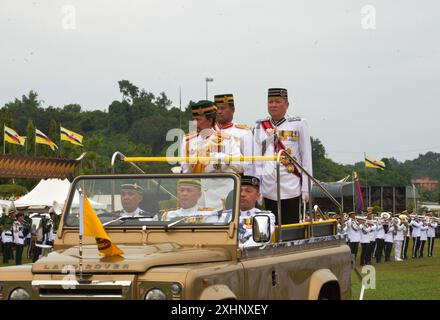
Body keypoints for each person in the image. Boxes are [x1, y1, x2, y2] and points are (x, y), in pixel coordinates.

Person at [253, 88, 312, 224]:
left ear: (287, 105)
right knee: (271, 230)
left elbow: (306, 157)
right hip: (268, 187)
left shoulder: (298, 123)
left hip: (291, 185)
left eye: (277, 101)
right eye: (270, 102)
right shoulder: (260, 125)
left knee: (290, 229)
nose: (273, 105)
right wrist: (257, 187)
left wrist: (306, 188)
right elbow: (257, 159)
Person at [179, 100, 243, 174]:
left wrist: (224, 158)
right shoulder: (187, 141)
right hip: (197, 184)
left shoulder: (226, 140)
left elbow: (241, 167)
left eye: (198, 119)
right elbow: (186, 171)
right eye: (193, 119)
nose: (193, 123)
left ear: (210, 120)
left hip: (220, 184)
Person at [214, 94, 254, 175]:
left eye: (223, 108)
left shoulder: (244, 132)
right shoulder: (209, 131)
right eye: (217, 108)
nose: (219, 111)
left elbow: (249, 164)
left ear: (233, 110)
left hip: (234, 181)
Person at [238, 175, 275, 249]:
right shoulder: (226, 216)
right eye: (239, 191)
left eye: (248, 191)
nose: (242, 194)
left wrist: (237, 249)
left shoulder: (266, 216)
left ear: (258, 196)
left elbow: (259, 240)